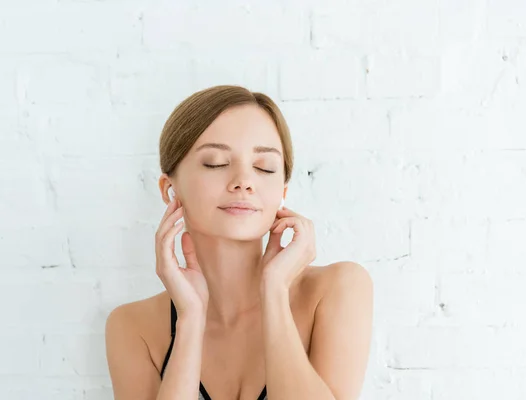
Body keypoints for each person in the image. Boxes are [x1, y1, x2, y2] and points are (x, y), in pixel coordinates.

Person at [104, 85, 374, 400]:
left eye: (265, 168)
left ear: (282, 192)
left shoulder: (337, 289)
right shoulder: (132, 327)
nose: (244, 181)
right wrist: (190, 319)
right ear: (170, 189)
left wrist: (273, 290)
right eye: (216, 163)